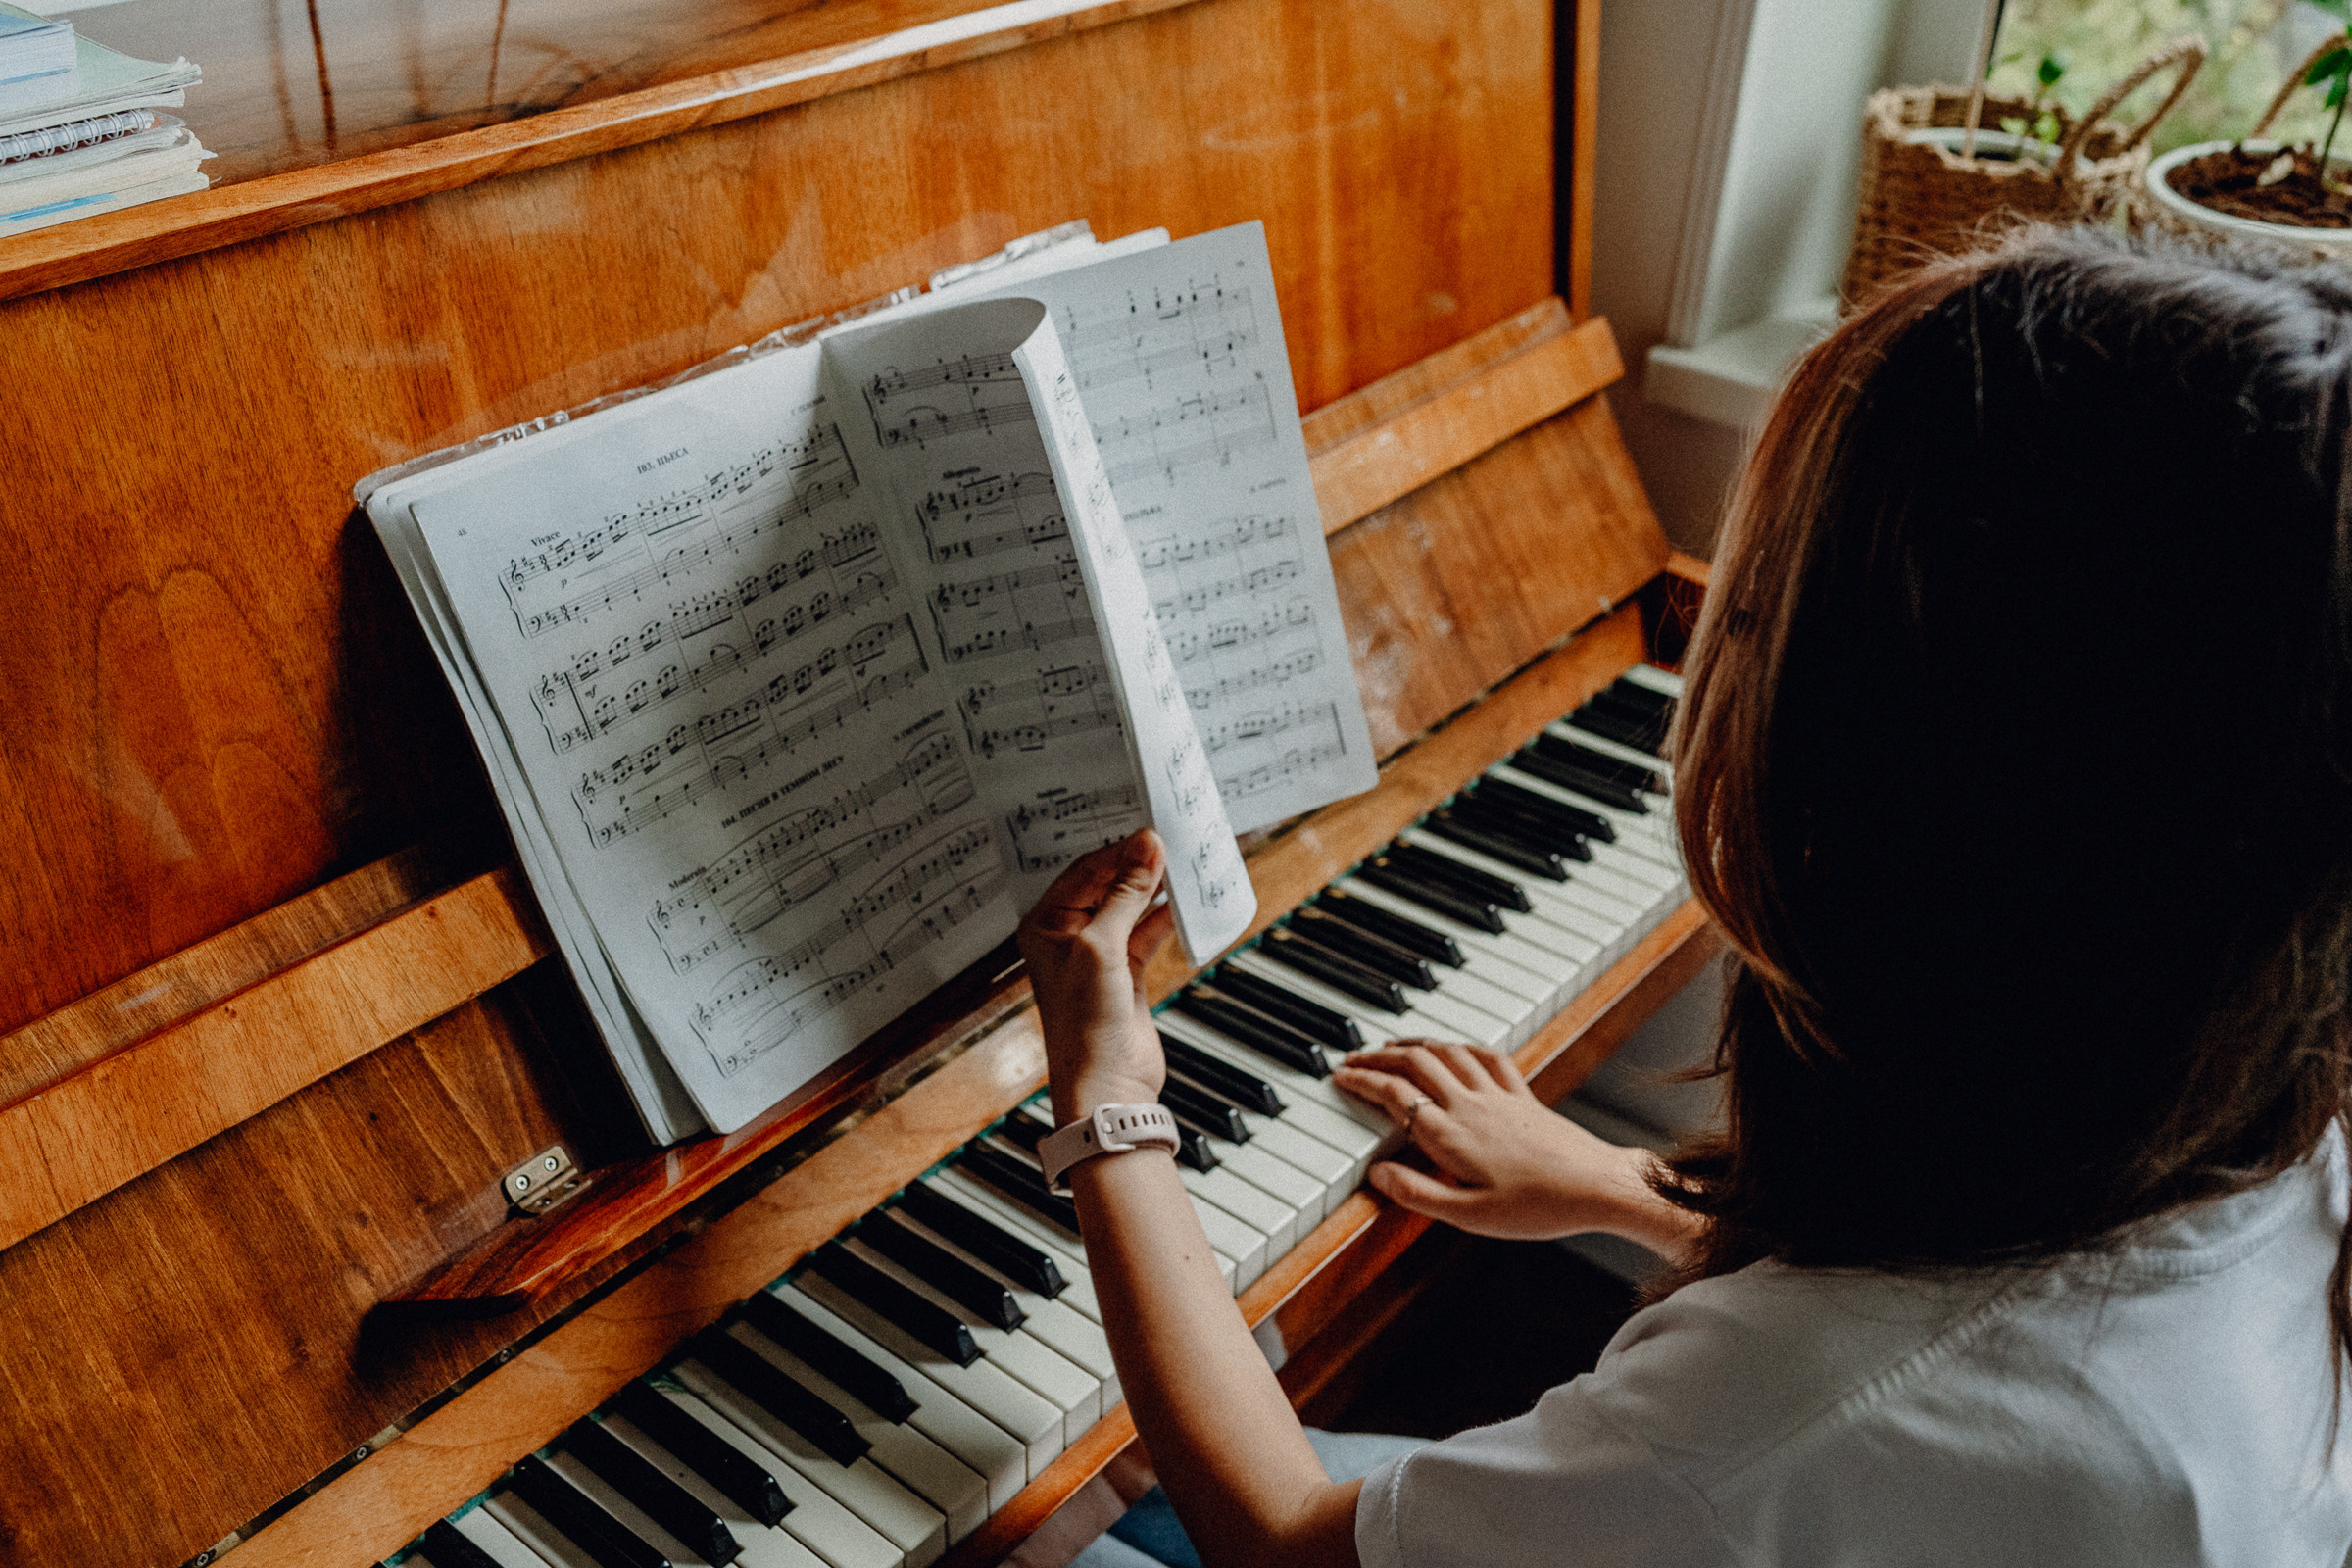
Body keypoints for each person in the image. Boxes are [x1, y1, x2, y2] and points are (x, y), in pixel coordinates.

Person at [1013, 225, 2352, 1568]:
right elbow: (1950, 1324)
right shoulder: (2274, 1116)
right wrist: (1620, 1183)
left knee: (1055, 1535)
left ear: (1921, 804)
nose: (1715, 627)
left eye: (1760, 615)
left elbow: (1286, 1541)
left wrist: (1108, 1109)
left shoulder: (1778, 1434)